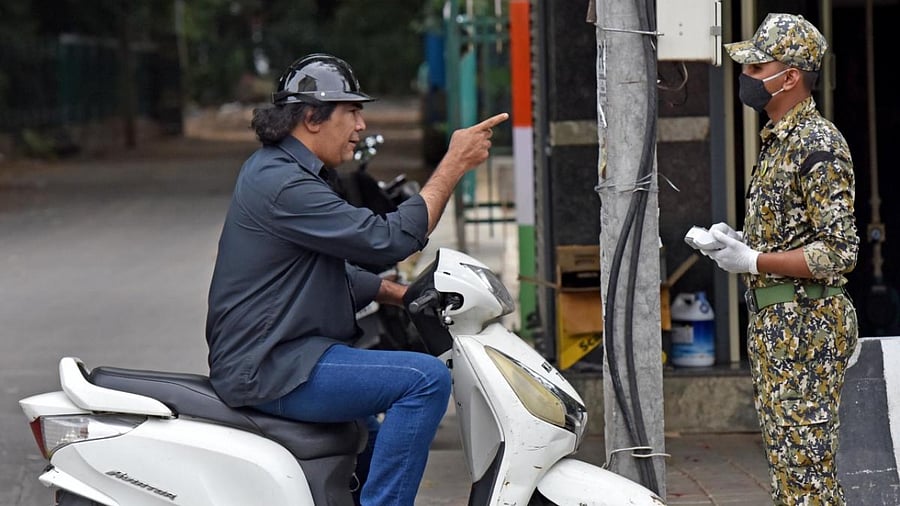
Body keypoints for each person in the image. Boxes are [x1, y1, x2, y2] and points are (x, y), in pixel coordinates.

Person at [205, 53, 509, 506]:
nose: (362, 125)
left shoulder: (280, 171)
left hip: (286, 354)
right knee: (422, 380)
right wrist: (452, 165)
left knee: (366, 431)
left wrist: (398, 294)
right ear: (311, 117)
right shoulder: (286, 184)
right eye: (352, 111)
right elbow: (388, 240)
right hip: (272, 366)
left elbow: (321, 270)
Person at [700, 13, 859, 505]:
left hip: (806, 329)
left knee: (808, 479)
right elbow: (791, 232)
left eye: (755, 68)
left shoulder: (818, 144)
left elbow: (838, 251)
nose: (745, 77)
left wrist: (754, 260)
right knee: (790, 477)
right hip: (779, 327)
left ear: (789, 77)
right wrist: (738, 242)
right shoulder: (779, 141)